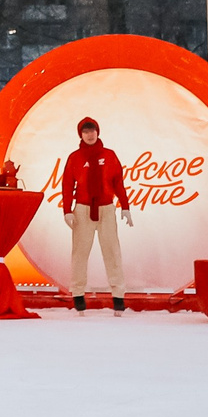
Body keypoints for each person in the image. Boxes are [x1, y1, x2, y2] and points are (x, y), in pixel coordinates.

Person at [60, 116, 134, 315]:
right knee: (80, 253)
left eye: (92, 131)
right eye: (86, 131)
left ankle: (118, 297)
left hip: (106, 208)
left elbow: (118, 182)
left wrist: (125, 207)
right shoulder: (75, 158)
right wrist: (67, 210)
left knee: (112, 251)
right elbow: (67, 185)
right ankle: (78, 295)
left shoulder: (109, 155)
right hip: (83, 209)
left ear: (98, 132)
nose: (89, 135)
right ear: (80, 134)